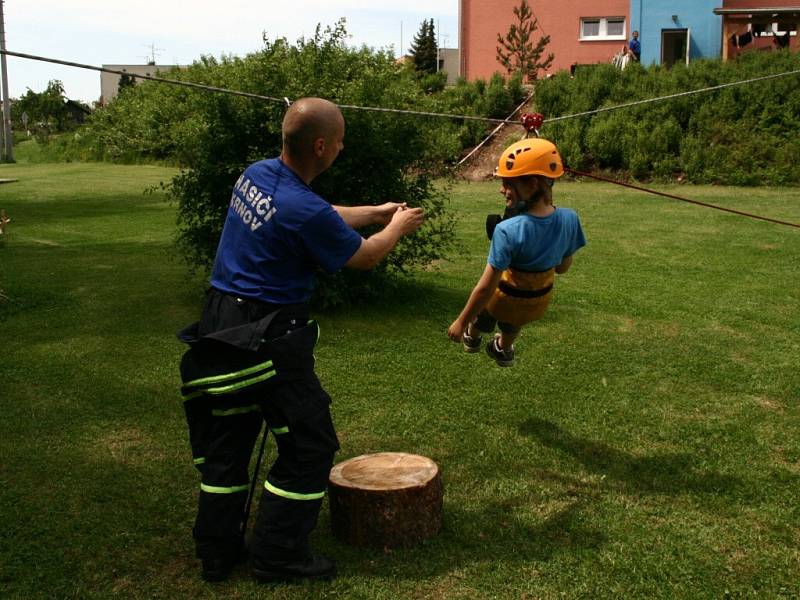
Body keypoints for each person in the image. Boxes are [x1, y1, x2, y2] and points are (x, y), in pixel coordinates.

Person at [177, 97, 424, 583]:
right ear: (320, 145)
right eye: (339, 139)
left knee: (229, 439)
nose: (342, 146)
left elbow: (318, 213)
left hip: (218, 326)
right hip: (267, 335)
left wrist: (373, 211)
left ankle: (217, 551)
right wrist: (395, 227)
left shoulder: (259, 173)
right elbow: (365, 257)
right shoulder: (300, 207)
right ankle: (278, 555)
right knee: (309, 446)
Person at [447, 137, 585, 366]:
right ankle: (504, 347)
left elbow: (485, 288)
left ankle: (472, 336)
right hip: (536, 304)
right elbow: (562, 268)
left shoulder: (506, 230)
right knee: (515, 317)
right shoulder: (570, 218)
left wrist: (460, 322)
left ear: (532, 184)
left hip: (503, 299)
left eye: (508, 183)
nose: (502, 190)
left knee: (490, 306)